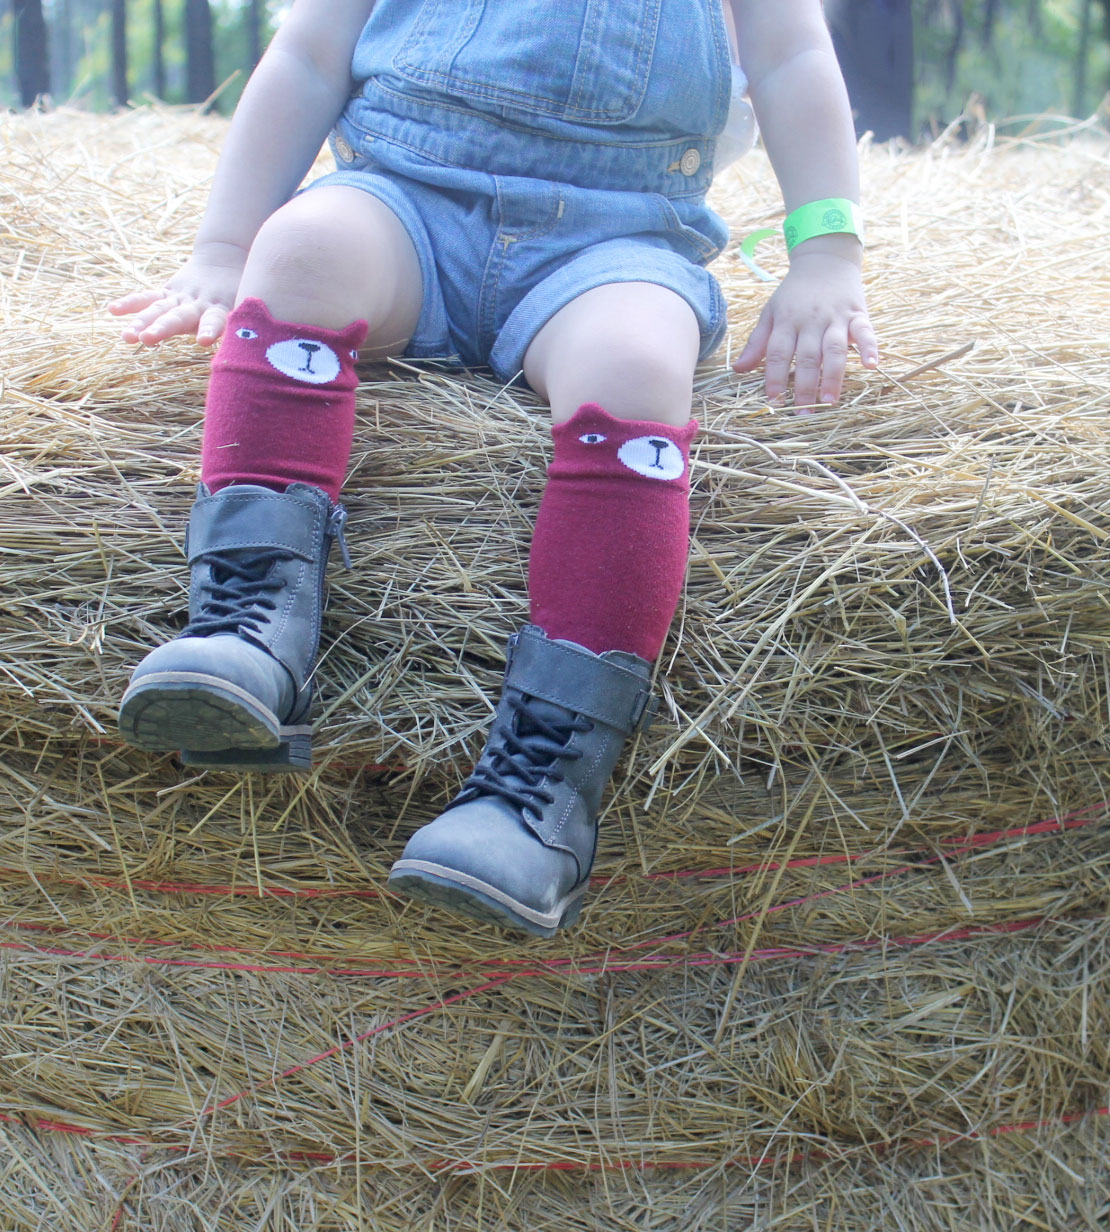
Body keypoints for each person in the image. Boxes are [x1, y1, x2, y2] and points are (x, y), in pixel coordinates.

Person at [109, 0, 878, 938]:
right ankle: (250, 625)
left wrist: (827, 253)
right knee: (301, 251)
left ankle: (540, 793)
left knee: (636, 371)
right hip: (403, 201)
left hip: (617, 240)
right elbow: (310, 56)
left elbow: (795, 59)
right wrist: (225, 252)